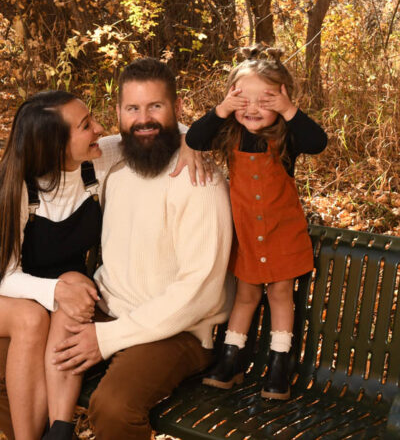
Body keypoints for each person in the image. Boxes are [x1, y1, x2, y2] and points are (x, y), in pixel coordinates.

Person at [0, 88, 207, 440]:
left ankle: (58, 431)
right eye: (85, 125)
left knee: (71, 289)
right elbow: (5, 276)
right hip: (13, 293)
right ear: (54, 144)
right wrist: (56, 290)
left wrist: (193, 142)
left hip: (56, 294)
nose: (99, 128)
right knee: (32, 318)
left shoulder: (96, 159)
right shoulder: (15, 186)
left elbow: (156, 131)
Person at [52, 58, 234, 439]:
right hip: (109, 310)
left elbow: (199, 294)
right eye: (133, 109)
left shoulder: (199, 181)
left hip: (179, 331)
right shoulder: (113, 164)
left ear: (178, 108)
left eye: (156, 106)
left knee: (114, 408)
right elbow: (55, 154)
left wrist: (107, 339)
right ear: (118, 113)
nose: (144, 120)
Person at [185, 45, 327, 399]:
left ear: (282, 101)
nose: (253, 109)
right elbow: (194, 138)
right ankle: (230, 361)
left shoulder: (287, 136)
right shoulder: (229, 133)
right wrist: (221, 109)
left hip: (282, 232)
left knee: (280, 294)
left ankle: (280, 366)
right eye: (242, 100)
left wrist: (288, 110)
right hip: (247, 234)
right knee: (246, 295)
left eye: (266, 101)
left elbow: (318, 141)